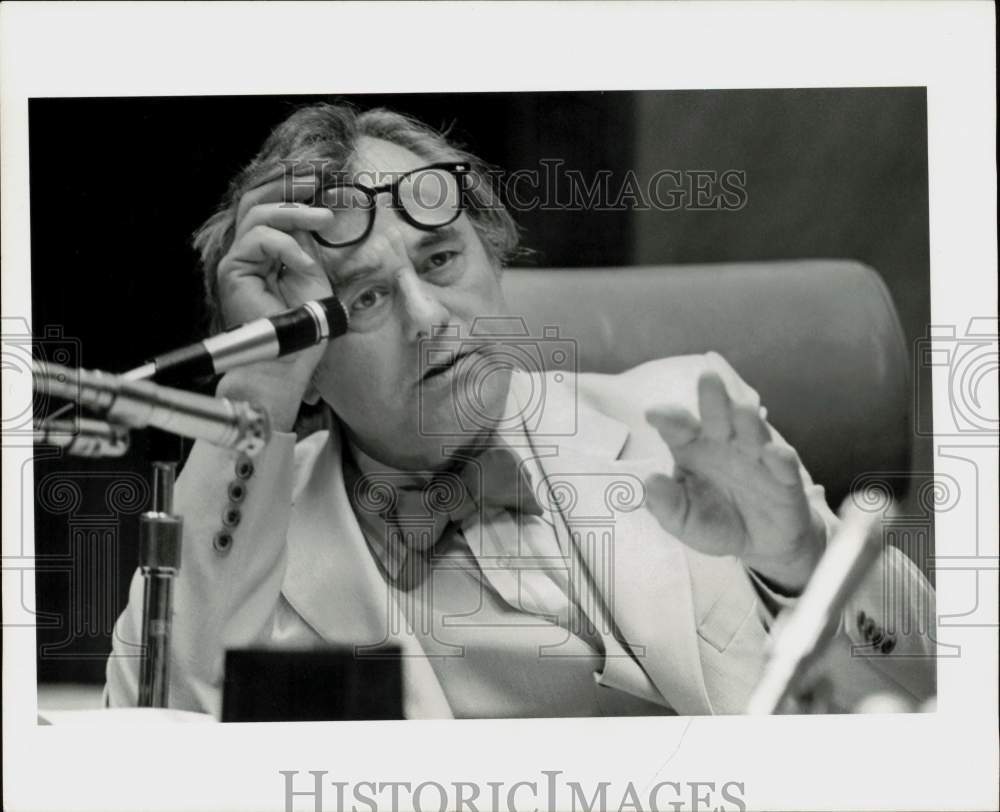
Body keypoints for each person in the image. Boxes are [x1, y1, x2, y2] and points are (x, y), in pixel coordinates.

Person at [105, 102, 936, 718]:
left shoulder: (684, 416)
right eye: (364, 300)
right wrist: (260, 391)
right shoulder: (248, 542)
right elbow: (159, 749)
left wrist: (802, 560)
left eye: (442, 259)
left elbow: (939, 700)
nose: (429, 319)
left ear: (495, 259)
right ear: (308, 359)